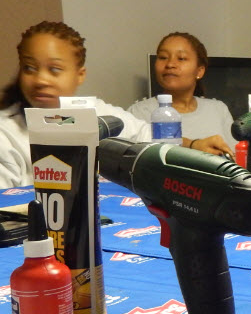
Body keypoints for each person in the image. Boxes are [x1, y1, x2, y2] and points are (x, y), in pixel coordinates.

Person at [0, 21, 151, 189]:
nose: (40, 80)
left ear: (80, 75)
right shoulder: (6, 133)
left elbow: (149, 138)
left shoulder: (99, 113)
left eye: (54, 69)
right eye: (29, 68)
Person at [128, 32, 235, 156]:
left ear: (199, 71)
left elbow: (237, 156)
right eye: (163, 57)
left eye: (181, 58)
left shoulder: (218, 109)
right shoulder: (139, 112)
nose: (170, 64)